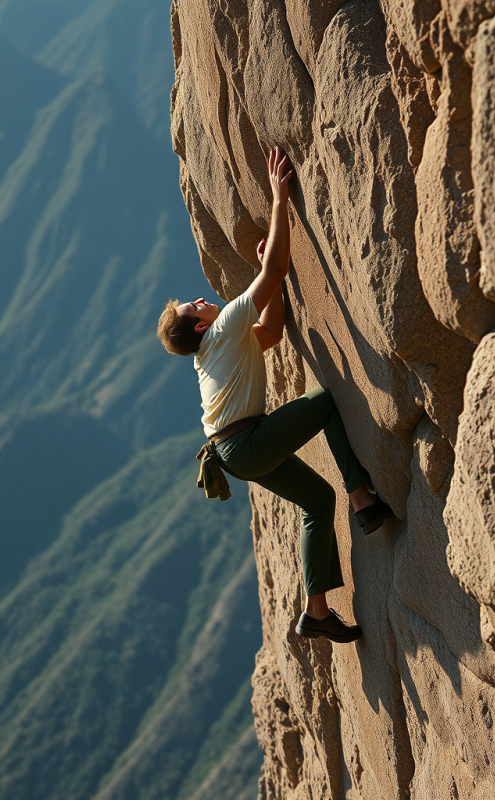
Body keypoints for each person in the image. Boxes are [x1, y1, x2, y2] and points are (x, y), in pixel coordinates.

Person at [156, 147, 393, 643]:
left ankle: (316, 611)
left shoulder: (215, 348)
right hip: (245, 444)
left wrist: (271, 274)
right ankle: (362, 497)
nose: (201, 298)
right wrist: (280, 199)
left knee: (316, 501)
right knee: (324, 401)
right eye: (194, 306)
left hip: (235, 452)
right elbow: (275, 271)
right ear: (199, 325)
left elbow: (271, 331)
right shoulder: (223, 329)